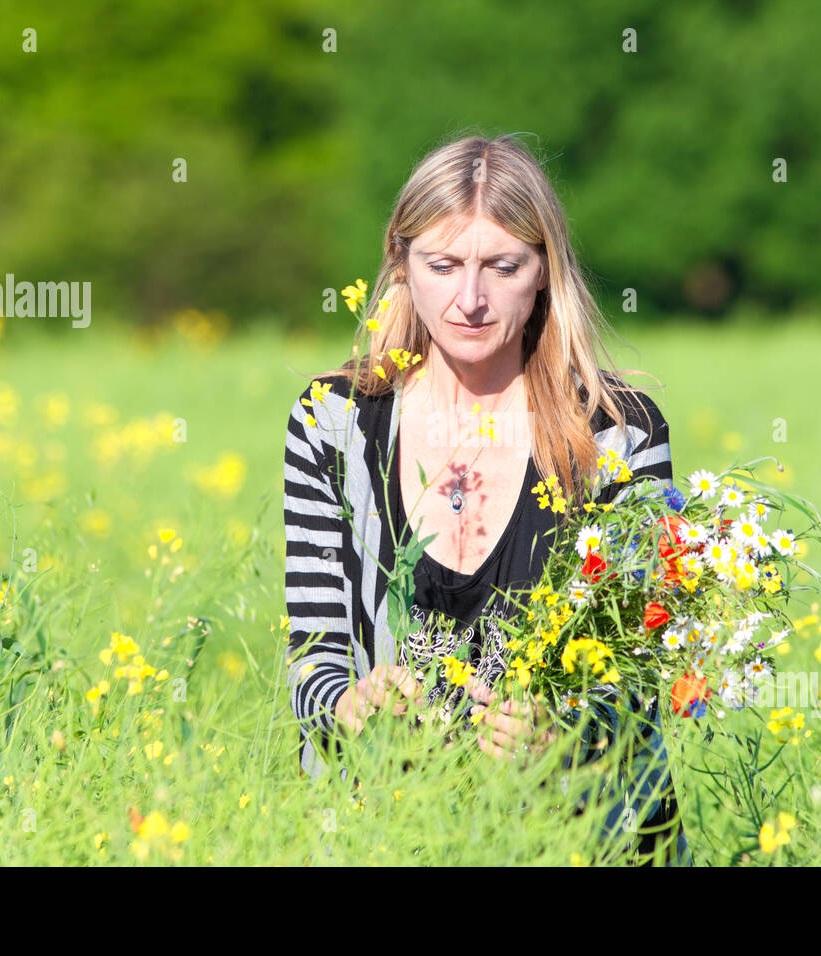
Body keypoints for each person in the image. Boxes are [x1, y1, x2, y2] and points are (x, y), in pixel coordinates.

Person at [283, 133, 691, 865]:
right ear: (400, 264)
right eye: (442, 265)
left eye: (502, 267)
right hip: (388, 832)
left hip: (587, 835)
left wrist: (564, 733)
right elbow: (312, 654)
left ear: (544, 274)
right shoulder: (333, 422)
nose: (470, 301)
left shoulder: (620, 433)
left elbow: (645, 666)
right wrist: (351, 706)